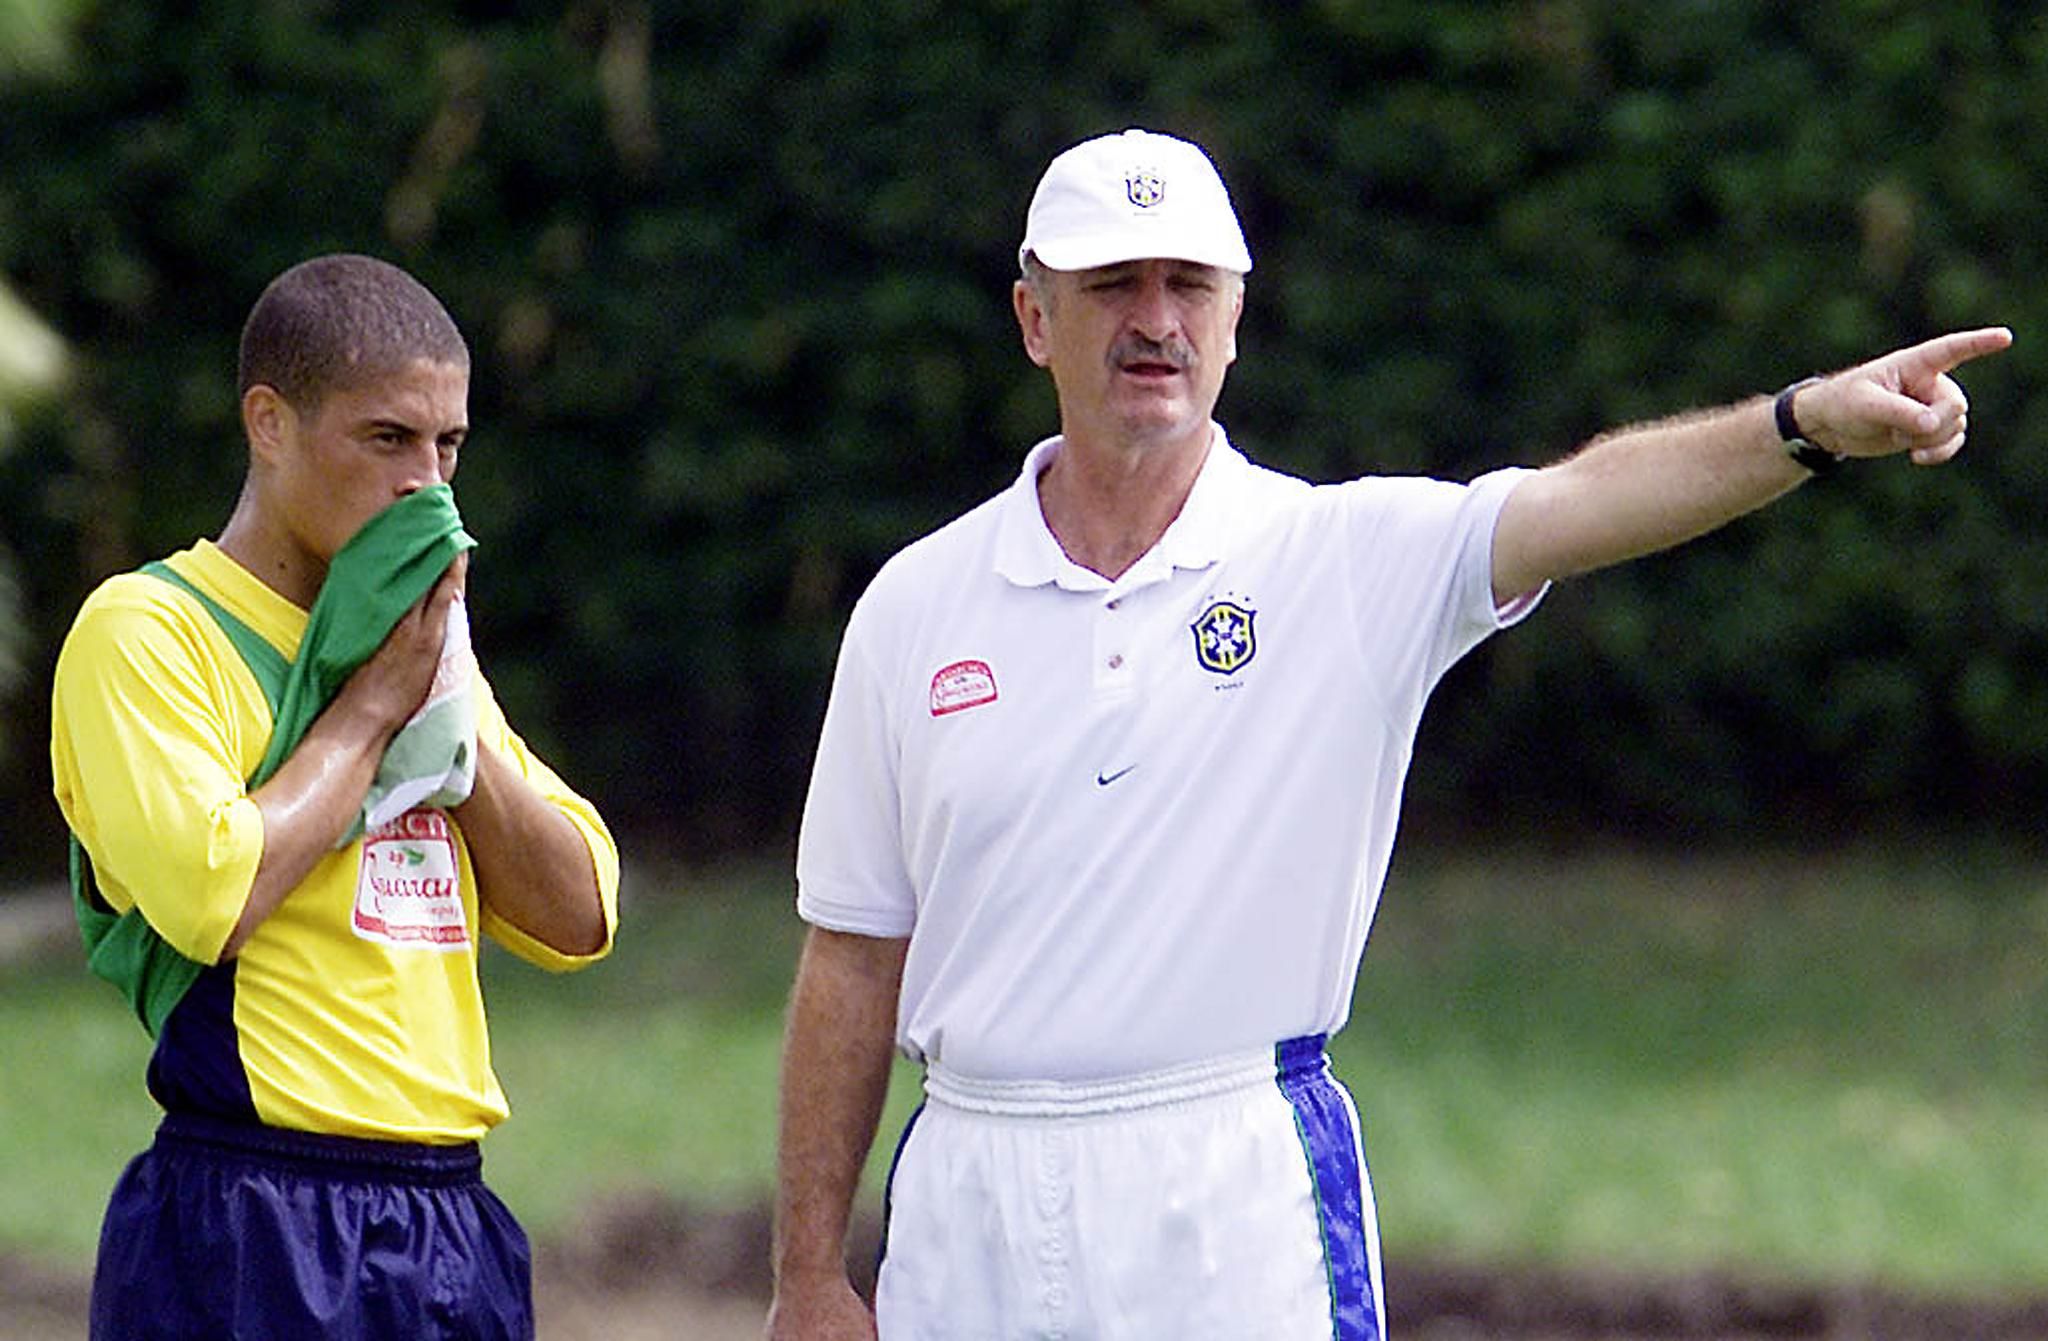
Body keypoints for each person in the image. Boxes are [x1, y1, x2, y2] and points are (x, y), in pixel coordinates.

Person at [763, 127, 2012, 1340]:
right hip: (965, 1197)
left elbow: (1579, 501)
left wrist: (1797, 425)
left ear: (1235, 316)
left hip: (1227, 1197)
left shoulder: (1341, 559)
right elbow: (852, 960)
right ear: (1035, 317)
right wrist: (808, 1276)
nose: (1155, 321)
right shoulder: (916, 606)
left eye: (1187, 284)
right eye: (1111, 285)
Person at [50, 252, 621, 1341]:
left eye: (448, 445)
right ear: (269, 422)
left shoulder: (413, 640)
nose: (428, 485)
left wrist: (449, 715)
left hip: (453, 1220)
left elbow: (580, 911)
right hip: (255, 1209)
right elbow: (216, 892)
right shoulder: (145, 631)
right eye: (387, 440)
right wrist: (366, 716)